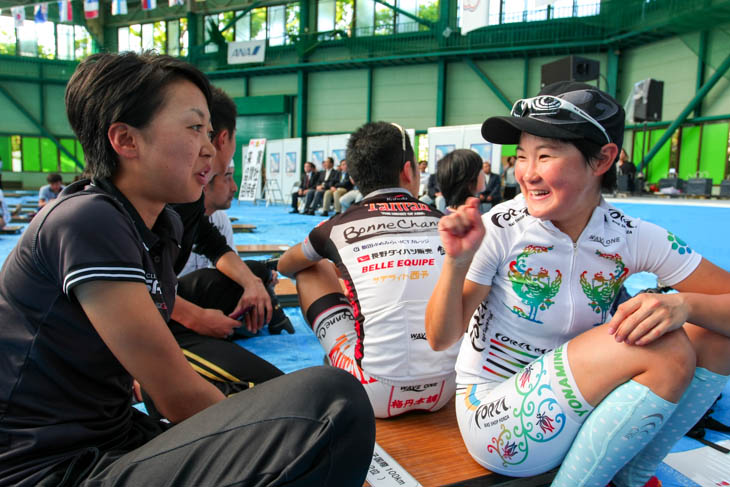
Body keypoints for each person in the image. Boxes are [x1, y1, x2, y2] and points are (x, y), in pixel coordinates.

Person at [0, 52, 374, 487]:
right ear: (126, 140)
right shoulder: (86, 220)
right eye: (194, 127)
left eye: (211, 132)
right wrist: (263, 430)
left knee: (301, 415)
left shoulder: (161, 224)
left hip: (114, 437)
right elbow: (177, 396)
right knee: (330, 404)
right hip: (49, 470)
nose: (209, 149)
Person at [426, 81, 730, 487]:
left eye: (546, 155)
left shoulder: (627, 234)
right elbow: (440, 338)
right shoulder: (501, 227)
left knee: (713, 333)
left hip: (582, 405)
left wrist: (686, 305)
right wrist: (457, 262)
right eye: (522, 156)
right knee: (667, 347)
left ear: (603, 159)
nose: (527, 174)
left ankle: (633, 474)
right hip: (495, 417)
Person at [279, 121, 461, 418]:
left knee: (311, 268)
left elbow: (288, 264)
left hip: (372, 392)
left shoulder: (335, 227)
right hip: (446, 386)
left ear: (352, 176)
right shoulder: (444, 221)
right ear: (408, 171)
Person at [436, 149, 486, 214]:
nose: (483, 173)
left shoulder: (449, 214)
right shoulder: (467, 220)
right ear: (469, 179)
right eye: (481, 169)